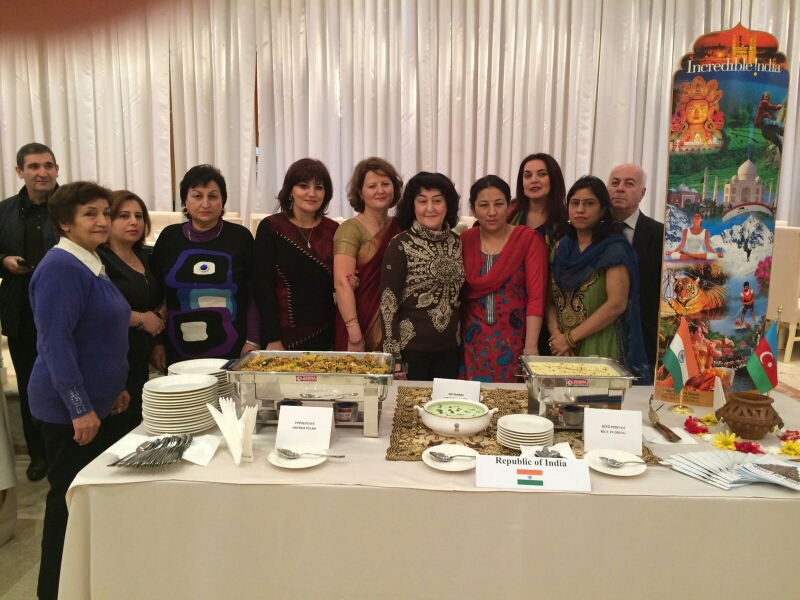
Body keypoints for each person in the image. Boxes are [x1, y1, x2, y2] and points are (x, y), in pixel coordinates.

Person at [27, 182, 131, 600]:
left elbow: (99, 335)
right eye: (90, 213)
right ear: (64, 222)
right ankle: (53, 591)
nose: (103, 221)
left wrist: (114, 390)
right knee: (67, 505)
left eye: (105, 212)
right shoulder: (60, 268)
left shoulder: (90, 262)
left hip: (97, 405)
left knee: (89, 504)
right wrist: (79, 407)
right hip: (66, 412)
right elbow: (56, 344)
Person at [151, 165, 257, 368]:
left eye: (213, 196)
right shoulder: (169, 237)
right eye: (197, 196)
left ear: (222, 201)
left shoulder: (240, 237)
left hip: (233, 349)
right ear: (185, 201)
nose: (205, 204)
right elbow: (155, 297)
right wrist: (157, 343)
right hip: (177, 350)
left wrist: (253, 340)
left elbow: (254, 294)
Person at [548, 175, 651, 383]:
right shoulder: (561, 248)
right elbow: (549, 299)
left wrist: (570, 338)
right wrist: (557, 337)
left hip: (600, 345)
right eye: (574, 203)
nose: (580, 209)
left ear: (603, 209)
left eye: (589, 203)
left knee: (597, 401)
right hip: (563, 350)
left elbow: (616, 304)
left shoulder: (614, 249)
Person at [0, 143, 59, 481]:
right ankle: (38, 454)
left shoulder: (72, 206)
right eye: (34, 166)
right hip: (21, 312)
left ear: (57, 169)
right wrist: (4, 261)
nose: (42, 172)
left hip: (65, 311)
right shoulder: (4, 211)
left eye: (48, 165)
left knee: (67, 377)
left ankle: (69, 447)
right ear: (20, 172)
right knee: (29, 386)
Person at [459, 175, 547, 382]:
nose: (492, 212)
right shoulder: (464, 241)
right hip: (470, 343)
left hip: (515, 342)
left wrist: (531, 350)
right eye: (484, 205)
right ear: (473, 209)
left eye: (499, 204)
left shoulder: (527, 239)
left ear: (509, 206)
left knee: (510, 399)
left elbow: (536, 298)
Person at [380, 172, 465, 381]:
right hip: (411, 351)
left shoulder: (458, 243)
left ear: (448, 205)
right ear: (413, 206)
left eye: (437, 200)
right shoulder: (400, 244)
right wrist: (393, 359)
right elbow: (388, 304)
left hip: (451, 349)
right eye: (422, 201)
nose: (430, 208)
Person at [253, 158, 339, 350]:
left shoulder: (334, 230)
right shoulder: (271, 228)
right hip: (282, 338)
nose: (311, 193)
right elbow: (262, 289)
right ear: (290, 190)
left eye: (318, 187)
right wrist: (272, 338)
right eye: (303, 186)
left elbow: (340, 283)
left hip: (327, 333)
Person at [97, 191, 164, 435]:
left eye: (139, 216)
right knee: (114, 435)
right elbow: (96, 310)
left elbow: (157, 300)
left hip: (139, 360)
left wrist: (158, 339)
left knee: (136, 429)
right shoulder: (98, 259)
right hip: (110, 360)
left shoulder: (146, 255)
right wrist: (140, 319)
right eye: (123, 216)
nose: (134, 222)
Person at [333, 157, 404, 351]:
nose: (380, 190)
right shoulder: (350, 230)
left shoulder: (401, 226)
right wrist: (355, 334)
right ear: (360, 193)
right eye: (372, 186)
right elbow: (342, 284)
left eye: (385, 184)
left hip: (396, 321)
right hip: (358, 320)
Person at [507, 153, 567, 356]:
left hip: (554, 309)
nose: (534, 180)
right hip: (512, 306)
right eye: (528, 175)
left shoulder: (567, 221)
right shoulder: (509, 216)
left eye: (542, 174)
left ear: (554, 179)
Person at [607, 164, 664, 373]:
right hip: (600, 334)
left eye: (629, 184)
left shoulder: (660, 235)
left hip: (644, 339)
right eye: (615, 183)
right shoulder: (592, 232)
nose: (620, 188)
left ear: (642, 193)